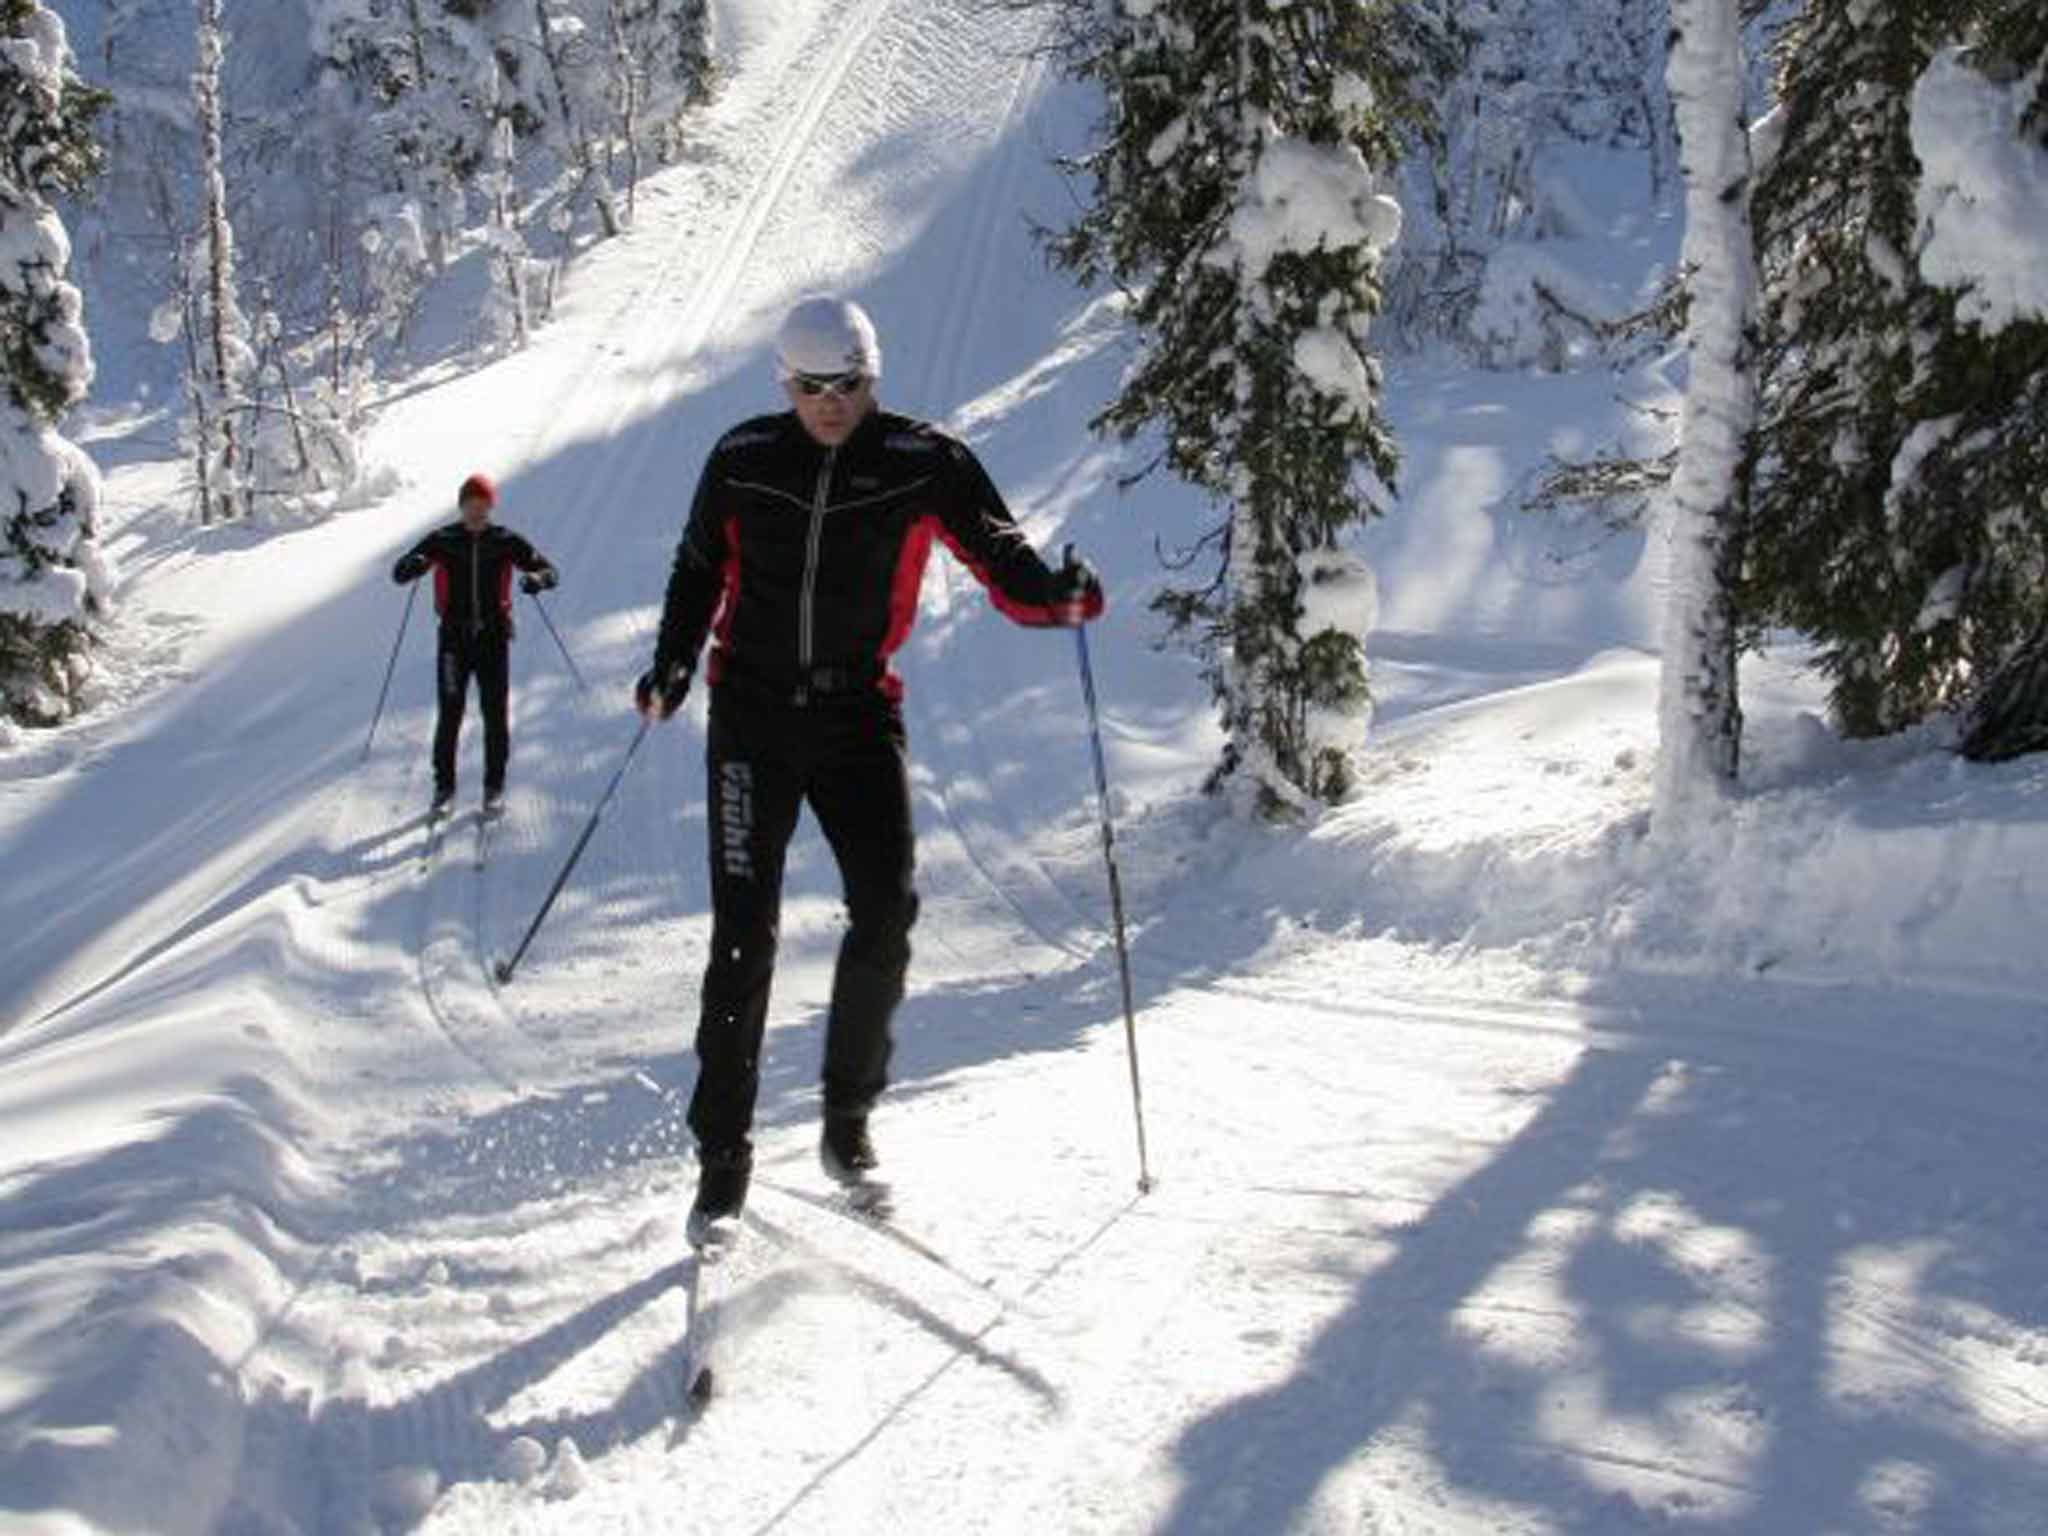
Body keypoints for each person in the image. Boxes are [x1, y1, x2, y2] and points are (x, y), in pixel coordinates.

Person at [636, 295, 1104, 1240]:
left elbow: (1001, 556)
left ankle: (847, 1122)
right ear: (786, 384)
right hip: (753, 718)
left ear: (872, 376)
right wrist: (675, 662)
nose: (830, 404)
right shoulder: (742, 458)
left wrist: (1058, 596)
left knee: (887, 908)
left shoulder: (923, 462)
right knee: (743, 938)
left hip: (856, 713)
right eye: (811, 388)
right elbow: (695, 571)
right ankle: (722, 1163)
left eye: (847, 385)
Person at [392, 473, 559, 817]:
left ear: (491, 506)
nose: (477, 512)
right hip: (453, 639)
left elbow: (550, 571)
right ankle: (444, 788)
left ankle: (493, 786)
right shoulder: (443, 539)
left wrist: (536, 579)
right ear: (461, 505)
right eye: (471, 505)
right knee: (450, 713)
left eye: (483, 505)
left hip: (494, 637)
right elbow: (399, 573)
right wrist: (414, 565)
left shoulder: (505, 540)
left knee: (494, 714)